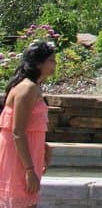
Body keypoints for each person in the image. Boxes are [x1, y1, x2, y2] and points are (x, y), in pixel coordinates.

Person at [0, 40, 57, 208]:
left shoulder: (34, 87)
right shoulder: (27, 88)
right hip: (19, 157)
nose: (55, 64)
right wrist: (29, 170)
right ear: (39, 64)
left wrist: (42, 146)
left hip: (28, 153)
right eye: (51, 60)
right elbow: (17, 131)